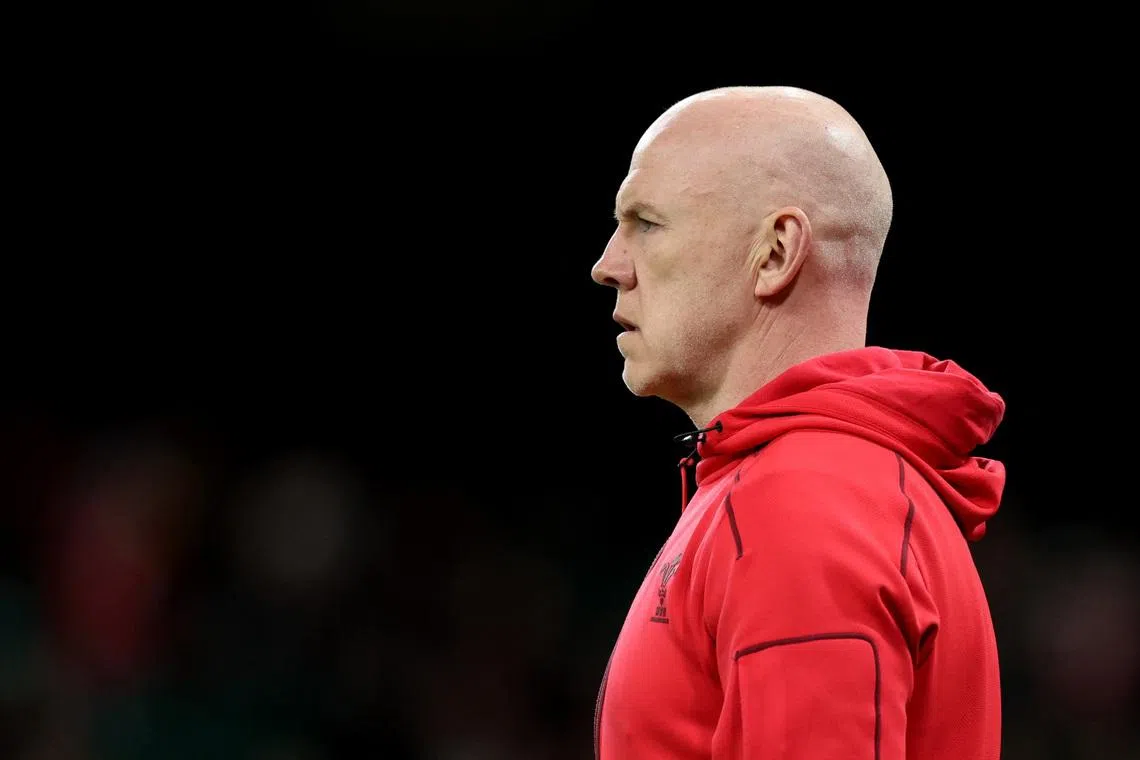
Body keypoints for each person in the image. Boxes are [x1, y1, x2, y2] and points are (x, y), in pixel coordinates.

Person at [589, 85, 1006, 759]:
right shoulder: (825, 481)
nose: (608, 266)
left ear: (776, 252)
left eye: (648, 223)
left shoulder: (801, 501)